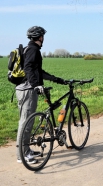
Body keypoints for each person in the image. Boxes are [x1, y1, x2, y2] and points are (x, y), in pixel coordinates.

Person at [16, 26, 65, 164]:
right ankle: (22, 155)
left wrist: (56, 79)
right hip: (28, 89)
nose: (44, 38)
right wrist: (35, 84)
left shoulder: (30, 49)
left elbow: (38, 71)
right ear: (39, 37)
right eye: (43, 36)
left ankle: (26, 150)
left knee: (26, 121)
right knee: (26, 122)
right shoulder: (33, 49)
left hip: (24, 88)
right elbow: (28, 68)